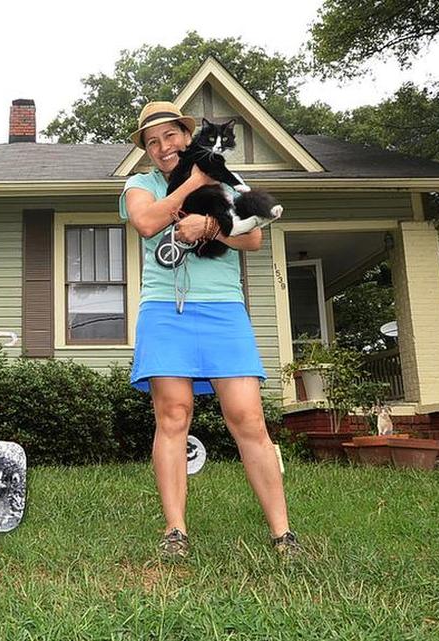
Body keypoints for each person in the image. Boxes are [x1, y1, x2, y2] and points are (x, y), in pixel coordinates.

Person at [118, 101, 298, 559]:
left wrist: (212, 226)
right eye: (153, 142)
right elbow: (146, 223)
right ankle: (175, 531)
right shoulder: (141, 185)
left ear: (186, 134)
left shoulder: (228, 180)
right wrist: (196, 183)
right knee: (173, 416)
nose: (163, 147)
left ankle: (283, 535)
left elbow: (253, 237)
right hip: (165, 309)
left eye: (171, 136)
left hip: (222, 310)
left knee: (248, 418)